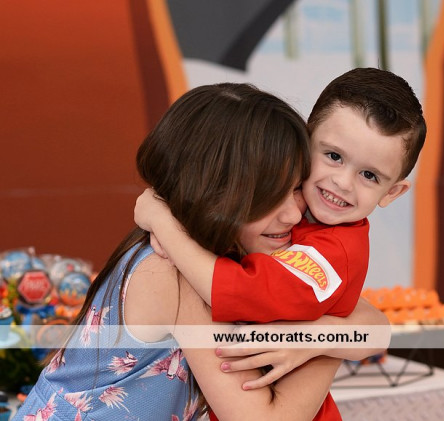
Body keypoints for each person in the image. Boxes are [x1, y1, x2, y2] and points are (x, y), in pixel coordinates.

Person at [14, 83, 387, 421]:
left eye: (295, 189)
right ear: (215, 192)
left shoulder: (217, 257)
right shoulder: (176, 273)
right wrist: (327, 344)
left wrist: (316, 337)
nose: (292, 215)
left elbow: (373, 324)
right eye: (269, 196)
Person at [134, 67, 425, 347]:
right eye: (334, 156)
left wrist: (163, 223)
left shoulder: (336, 251)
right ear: (304, 140)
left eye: (369, 175)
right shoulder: (307, 216)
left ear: (392, 192)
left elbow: (242, 294)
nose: (343, 183)